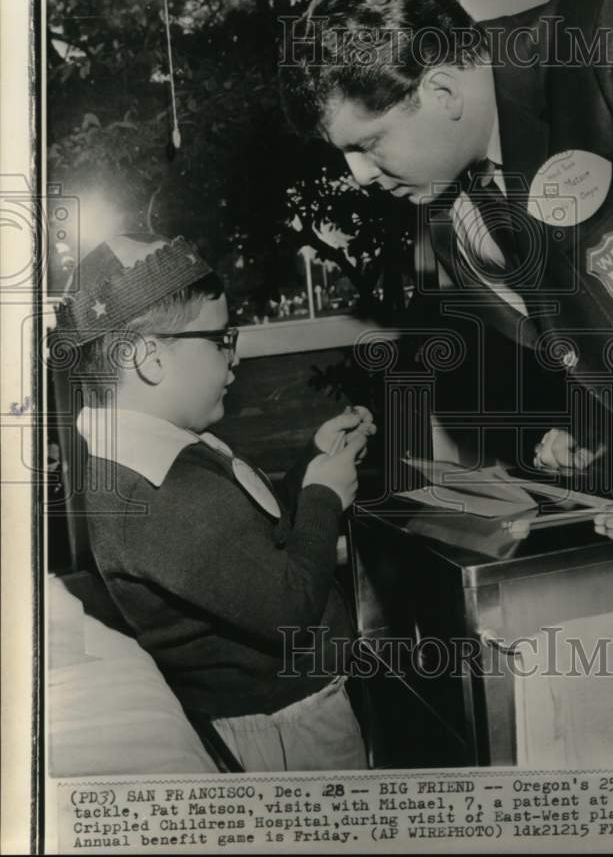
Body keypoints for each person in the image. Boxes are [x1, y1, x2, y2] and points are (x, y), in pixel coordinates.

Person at [278, 0, 613, 536]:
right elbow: (591, 321)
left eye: (368, 143)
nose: (358, 175)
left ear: (443, 91)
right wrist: (599, 424)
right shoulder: (443, 201)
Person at [53, 232, 375, 771]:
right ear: (148, 357)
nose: (235, 355)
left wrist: (311, 464)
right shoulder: (163, 490)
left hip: (281, 714)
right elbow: (290, 606)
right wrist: (323, 497)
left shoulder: (158, 457)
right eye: (219, 338)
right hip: (287, 731)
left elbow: (247, 541)